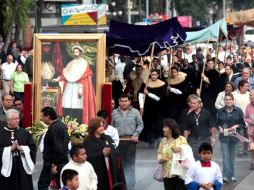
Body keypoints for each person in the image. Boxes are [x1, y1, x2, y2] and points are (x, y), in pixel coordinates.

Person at [55, 45, 96, 124]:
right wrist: (59, 79)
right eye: (74, 52)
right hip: (70, 86)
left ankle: (78, 123)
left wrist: (81, 86)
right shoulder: (71, 63)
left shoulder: (84, 62)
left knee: (78, 105)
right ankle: (67, 123)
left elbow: (85, 75)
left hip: (78, 86)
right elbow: (65, 74)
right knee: (67, 103)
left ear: (80, 52)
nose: (75, 53)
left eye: (77, 51)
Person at [111, 94, 143, 190]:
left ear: (129, 102)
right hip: (118, 142)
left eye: (126, 101)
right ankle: (120, 185)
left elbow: (140, 124)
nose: (124, 103)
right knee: (119, 164)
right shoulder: (114, 113)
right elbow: (111, 126)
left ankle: (131, 185)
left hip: (131, 141)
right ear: (119, 102)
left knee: (130, 163)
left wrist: (136, 134)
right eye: (122, 101)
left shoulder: (135, 112)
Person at [83, 117, 126, 190]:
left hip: (111, 167)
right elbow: (88, 157)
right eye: (100, 126)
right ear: (94, 127)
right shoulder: (88, 142)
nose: (102, 128)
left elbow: (115, 150)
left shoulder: (107, 138)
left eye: (103, 126)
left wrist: (110, 152)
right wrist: (101, 154)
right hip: (99, 170)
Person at [0, 109, 37, 190]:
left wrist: (23, 149)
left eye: (18, 118)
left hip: (22, 169)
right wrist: (9, 149)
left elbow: (33, 147)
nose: (18, 120)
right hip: (7, 171)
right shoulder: (1, 133)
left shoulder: (25, 133)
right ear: (8, 120)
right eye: (15, 119)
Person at [215, 93, 245, 183]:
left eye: (230, 99)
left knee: (231, 157)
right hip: (224, 137)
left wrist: (236, 126)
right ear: (224, 101)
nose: (228, 101)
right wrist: (219, 128)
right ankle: (225, 176)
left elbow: (243, 124)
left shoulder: (238, 110)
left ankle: (231, 175)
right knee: (225, 157)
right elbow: (217, 123)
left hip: (234, 137)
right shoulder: (220, 111)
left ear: (233, 100)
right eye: (226, 100)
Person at [38, 106, 69, 190]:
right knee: (60, 185)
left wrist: (54, 165)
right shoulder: (61, 125)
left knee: (43, 184)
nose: (42, 119)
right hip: (62, 161)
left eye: (42, 117)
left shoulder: (54, 128)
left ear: (47, 116)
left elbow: (57, 148)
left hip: (53, 163)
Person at [157, 118, 188, 190]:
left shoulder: (181, 139)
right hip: (167, 174)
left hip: (179, 174)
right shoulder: (163, 141)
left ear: (171, 128)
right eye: (163, 127)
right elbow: (159, 153)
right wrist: (160, 159)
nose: (163, 129)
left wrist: (180, 149)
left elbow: (188, 151)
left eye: (165, 127)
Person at [183, 95, 216, 160]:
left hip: (205, 140)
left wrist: (213, 138)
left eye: (194, 103)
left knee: (206, 159)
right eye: (191, 103)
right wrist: (185, 142)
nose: (192, 105)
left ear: (199, 104)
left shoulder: (207, 113)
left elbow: (212, 126)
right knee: (195, 160)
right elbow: (186, 130)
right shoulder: (189, 115)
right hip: (193, 140)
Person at [139, 69, 166, 147]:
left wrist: (148, 93)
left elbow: (159, 98)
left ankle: (158, 139)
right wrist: (141, 107)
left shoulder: (162, 84)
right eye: (152, 74)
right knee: (149, 124)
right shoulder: (145, 83)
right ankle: (151, 141)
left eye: (155, 74)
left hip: (158, 108)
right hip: (148, 107)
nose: (153, 76)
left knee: (158, 124)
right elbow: (141, 95)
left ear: (158, 75)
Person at [244, 90, 254, 170]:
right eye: (250, 95)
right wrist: (251, 121)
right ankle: (252, 162)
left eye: (252, 95)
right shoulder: (248, 106)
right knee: (252, 148)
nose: (250, 97)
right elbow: (245, 117)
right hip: (251, 131)